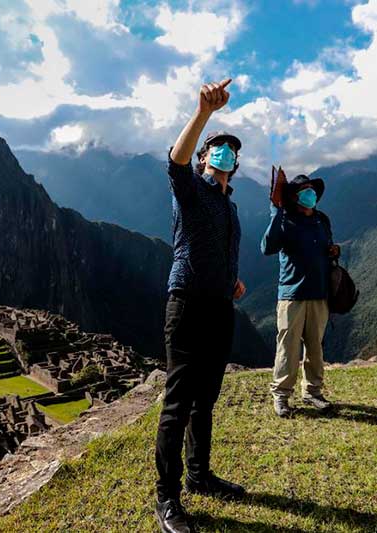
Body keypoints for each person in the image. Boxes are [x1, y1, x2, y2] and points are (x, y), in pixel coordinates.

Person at [154, 78, 247, 533]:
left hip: (219, 307)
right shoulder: (190, 189)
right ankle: (167, 499)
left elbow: (218, 251)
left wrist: (233, 281)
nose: (224, 154)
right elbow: (175, 161)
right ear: (206, 158)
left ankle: (199, 476)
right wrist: (204, 113)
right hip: (187, 303)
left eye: (231, 151)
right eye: (217, 149)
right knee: (177, 403)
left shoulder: (229, 207)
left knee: (205, 399)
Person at [261, 171, 340, 418]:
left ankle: (313, 392)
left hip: (319, 293)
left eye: (312, 189)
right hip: (292, 294)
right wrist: (276, 212)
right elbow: (267, 247)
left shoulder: (321, 220)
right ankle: (281, 396)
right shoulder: (285, 220)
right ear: (294, 197)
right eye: (304, 190)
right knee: (288, 347)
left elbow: (326, 248)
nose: (310, 194)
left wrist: (333, 252)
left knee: (315, 346)